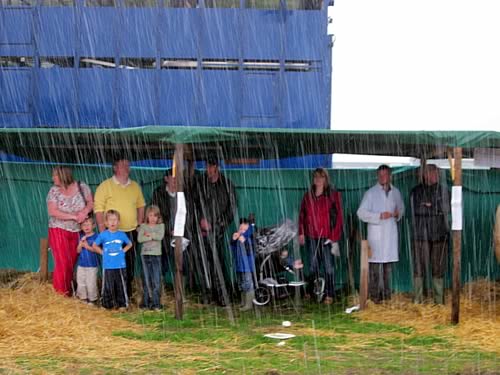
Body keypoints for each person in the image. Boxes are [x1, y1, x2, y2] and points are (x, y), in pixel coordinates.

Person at [94, 158, 145, 300]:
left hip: (131, 232)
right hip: (111, 233)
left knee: (129, 265)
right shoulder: (105, 186)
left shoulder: (135, 186)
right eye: (124, 165)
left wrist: (139, 224)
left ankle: (125, 296)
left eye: (128, 165)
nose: (128, 168)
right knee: (111, 265)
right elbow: (98, 210)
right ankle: (111, 296)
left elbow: (141, 206)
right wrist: (103, 230)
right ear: (115, 168)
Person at [192, 156, 237, 305]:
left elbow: (231, 210)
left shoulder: (227, 185)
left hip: (217, 230)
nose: (208, 170)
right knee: (203, 262)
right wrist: (200, 220)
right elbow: (193, 204)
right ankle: (207, 293)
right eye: (206, 167)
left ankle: (222, 295)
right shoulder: (200, 183)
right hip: (201, 230)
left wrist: (217, 224)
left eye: (210, 167)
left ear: (216, 167)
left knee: (218, 262)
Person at [357, 165, 405, 304]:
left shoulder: (396, 192)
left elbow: (401, 208)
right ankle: (374, 298)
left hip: (390, 233)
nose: (383, 178)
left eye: (385, 175)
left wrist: (397, 213)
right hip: (376, 235)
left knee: (387, 269)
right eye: (380, 175)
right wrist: (378, 216)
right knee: (375, 269)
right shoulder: (371, 193)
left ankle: (386, 297)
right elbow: (361, 213)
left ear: (390, 176)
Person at [298, 167, 344, 304]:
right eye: (316, 177)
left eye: (321, 177)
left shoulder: (333, 195)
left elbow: (339, 217)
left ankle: (329, 294)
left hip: (327, 237)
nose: (318, 180)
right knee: (313, 266)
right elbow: (302, 215)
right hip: (312, 236)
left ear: (326, 179)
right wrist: (301, 232)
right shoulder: (308, 196)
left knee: (329, 266)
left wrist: (334, 236)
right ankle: (312, 291)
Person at [46, 166, 94, 296]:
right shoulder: (53, 191)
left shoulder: (81, 186)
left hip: (77, 230)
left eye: (54, 175)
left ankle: (66, 290)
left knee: (71, 262)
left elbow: (91, 202)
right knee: (62, 262)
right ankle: (60, 294)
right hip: (58, 229)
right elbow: (53, 211)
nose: (52, 178)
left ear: (63, 175)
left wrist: (84, 212)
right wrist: (74, 216)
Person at [410, 164, 450, 304]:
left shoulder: (444, 190)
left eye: (436, 173)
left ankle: (439, 301)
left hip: (439, 235)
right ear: (425, 175)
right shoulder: (416, 191)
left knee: (438, 268)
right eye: (431, 173)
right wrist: (434, 208)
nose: (434, 176)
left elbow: (446, 208)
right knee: (419, 267)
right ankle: (418, 299)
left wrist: (430, 206)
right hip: (420, 235)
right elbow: (416, 209)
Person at [93, 210, 132, 310]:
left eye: (115, 220)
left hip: (120, 265)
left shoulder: (121, 234)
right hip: (108, 265)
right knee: (107, 285)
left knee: (121, 285)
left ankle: (122, 304)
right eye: (110, 220)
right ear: (106, 223)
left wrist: (123, 251)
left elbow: (129, 244)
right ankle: (106, 304)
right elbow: (94, 245)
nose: (113, 222)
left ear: (119, 222)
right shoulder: (103, 235)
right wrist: (102, 252)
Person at [137, 205, 165, 311]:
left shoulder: (161, 226)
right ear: (147, 216)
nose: (153, 218)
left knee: (156, 280)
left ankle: (156, 303)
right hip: (145, 255)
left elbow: (160, 236)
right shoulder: (143, 226)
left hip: (156, 256)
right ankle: (145, 303)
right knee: (146, 279)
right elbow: (140, 239)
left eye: (155, 216)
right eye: (150, 215)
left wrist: (149, 235)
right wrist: (153, 236)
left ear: (158, 217)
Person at [230, 218, 255, 312]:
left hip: (247, 266)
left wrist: (244, 241)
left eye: (244, 230)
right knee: (241, 284)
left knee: (248, 283)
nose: (242, 231)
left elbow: (251, 250)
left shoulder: (250, 238)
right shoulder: (238, 238)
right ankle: (243, 301)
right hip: (239, 265)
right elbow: (232, 248)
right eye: (240, 229)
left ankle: (249, 304)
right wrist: (233, 240)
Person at [76, 216, 100, 305]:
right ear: (81, 227)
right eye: (84, 225)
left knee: (91, 283)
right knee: (81, 282)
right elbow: (78, 251)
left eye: (88, 224)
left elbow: (97, 250)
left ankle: (92, 299)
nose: (86, 227)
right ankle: (83, 298)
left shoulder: (96, 237)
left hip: (92, 265)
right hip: (81, 265)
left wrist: (87, 246)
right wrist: (80, 245)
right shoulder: (81, 236)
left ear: (93, 225)